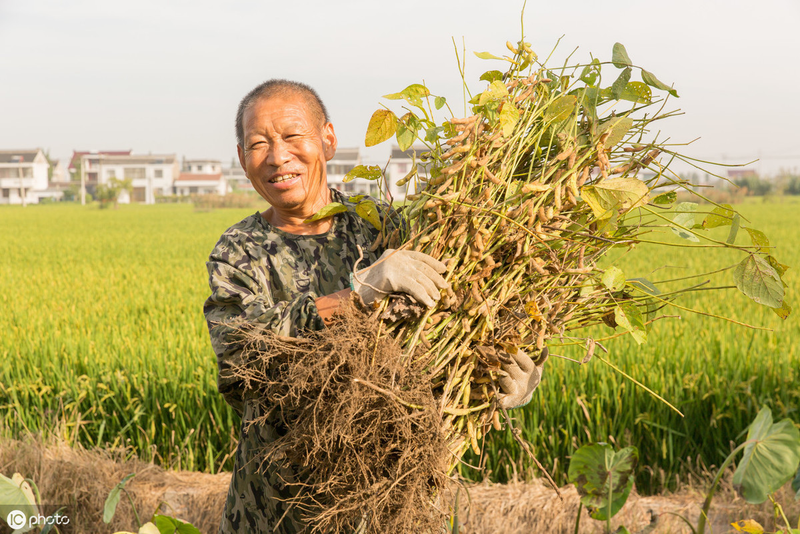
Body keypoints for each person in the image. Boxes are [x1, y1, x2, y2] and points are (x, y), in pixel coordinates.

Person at [204, 79, 546, 534]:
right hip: (274, 513)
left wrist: (508, 380)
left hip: (392, 506)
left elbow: (465, 320)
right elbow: (242, 355)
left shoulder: (388, 231)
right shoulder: (238, 251)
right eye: (258, 144)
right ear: (243, 157)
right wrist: (359, 295)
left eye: (291, 136)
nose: (277, 156)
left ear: (327, 139)